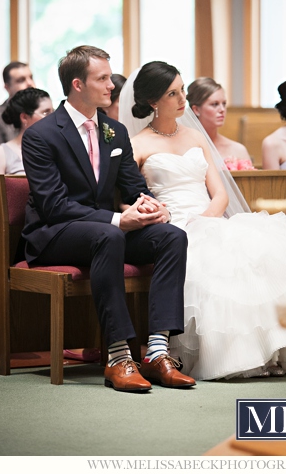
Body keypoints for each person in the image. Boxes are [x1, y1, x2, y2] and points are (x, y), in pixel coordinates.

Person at [119, 61, 286, 380]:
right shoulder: (137, 144)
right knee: (208, 264)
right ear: (153, 101)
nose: (182, 99)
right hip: (169, 226)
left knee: (267, 251)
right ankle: (228, 356)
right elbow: (130, 198)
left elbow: (219, 194)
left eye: (182, 89)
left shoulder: (195, 136)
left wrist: (206, 220)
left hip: (208, 217)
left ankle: (276, 348)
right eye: (172, 93)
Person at [21, 45, 195, 392]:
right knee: (109, 236)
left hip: (103, 231)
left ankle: (157, 353)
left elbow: (132, 188)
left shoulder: (114, 131)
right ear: (77, 85)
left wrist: (152, 207)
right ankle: (118, 357)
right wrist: (117, 220)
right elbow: (54, 206)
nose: (111, 85)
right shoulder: (41, 136)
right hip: (55, 234)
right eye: (101, 79)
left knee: (172, 236)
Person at [186, 77, 252, 165]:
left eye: (224, 103)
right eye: (214, 104)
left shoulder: (238, 149)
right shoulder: (185, 148)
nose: (222, 109)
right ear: (196, 110)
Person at [0, 87, 53, 175]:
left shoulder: (56, 148)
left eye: (54, 112)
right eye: (46, 113)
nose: (53, 118)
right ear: (24, 117)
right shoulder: (0, 154)